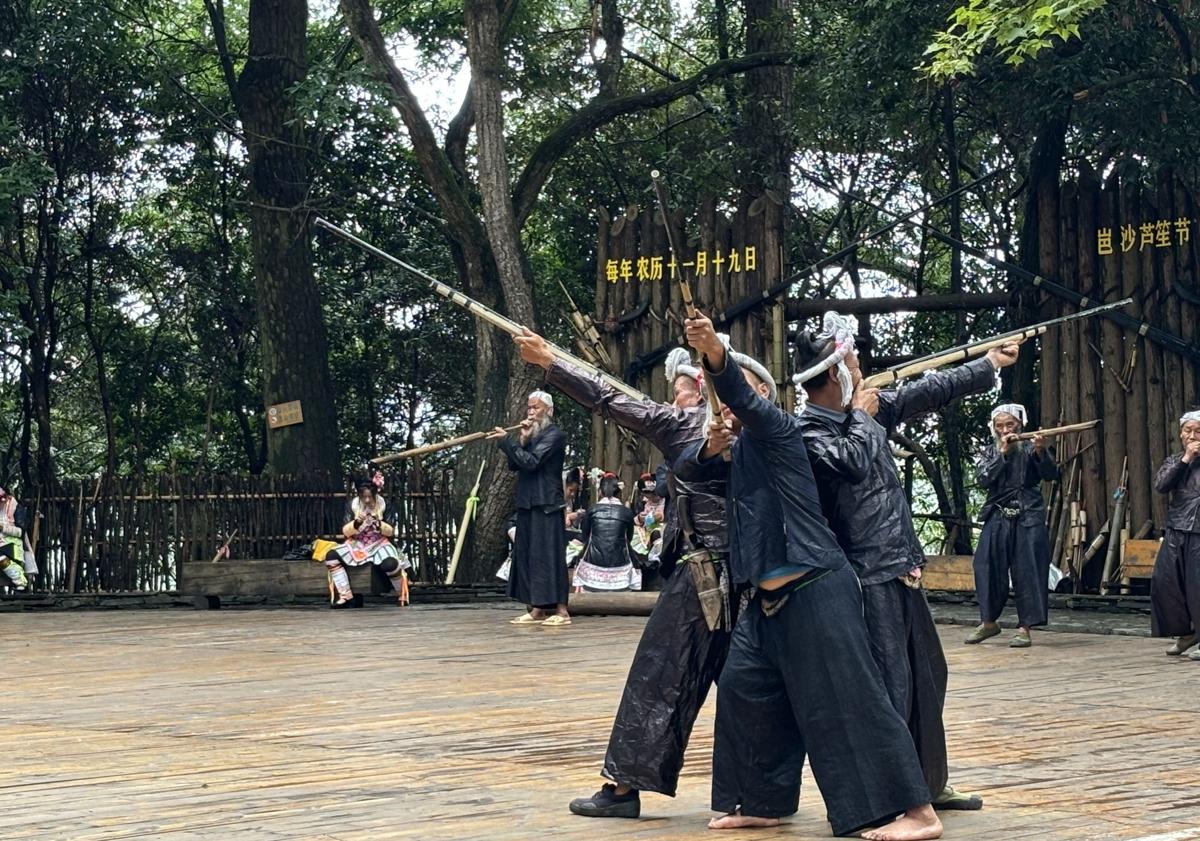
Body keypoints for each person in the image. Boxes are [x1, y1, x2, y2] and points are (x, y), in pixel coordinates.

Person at [679, 313, 940, 841]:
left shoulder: (781, 429)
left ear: (764, 395)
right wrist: (712, 440)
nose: (732, 400)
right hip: (766, 600)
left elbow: (744, 397)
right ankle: (762, 800)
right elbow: (686, 469)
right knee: (745, 688)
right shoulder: (740, 447)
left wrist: (714, 353)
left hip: (818, 587)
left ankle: (918, 812)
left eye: (745, 391)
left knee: (854, 700)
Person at [795, 312, 1018, 811]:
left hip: (901, 566)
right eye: (852, 359)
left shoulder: (865, 410)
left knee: (927, 675)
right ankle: (899, 796)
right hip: (864, 577)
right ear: (835, 372)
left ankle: (930, 783)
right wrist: (864, 415)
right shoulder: (807, 431)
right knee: (889, 687)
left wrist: (986, 364)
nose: (861, 366)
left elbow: (928, 389)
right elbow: (850, 463)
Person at [509, 329, 730, 818]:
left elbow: (612, 400)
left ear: (701, 385)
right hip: (751, 576)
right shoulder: (762, 426)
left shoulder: (691, 425)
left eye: (683, 384)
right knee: (753, 684)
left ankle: (624, 789)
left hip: (705, 578)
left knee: (660, 677)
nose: (676, 393)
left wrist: (553, 363)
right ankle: (756, 794)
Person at [966, 404, 1060, 648]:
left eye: (1010, 425)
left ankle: (1024, 628)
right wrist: (1002, 454)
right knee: (985, 564)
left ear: (1020, 425)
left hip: (1028, 514)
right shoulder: (991, 451)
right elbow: (984, 479)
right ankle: (988, 622)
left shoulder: (1032, 448)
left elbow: (1051, 474)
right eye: (1000, 426)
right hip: (997, 514)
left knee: (1027, 569)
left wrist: (1040, 452)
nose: (1005, 430)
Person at [489, 390, 570, 626]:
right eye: (529, 408)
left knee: (550, 556)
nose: (531, 412)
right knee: (530, 556)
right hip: (528, 502)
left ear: (548, 410)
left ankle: (562, 611)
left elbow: (532, 463)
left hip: (547, 503)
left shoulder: (554, 436)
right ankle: (537, 609)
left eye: (536, 407)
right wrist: (522, 440)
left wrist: (507, 442)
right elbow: (516, 465)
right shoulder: (533, 437)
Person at [1151, 410, 1200, 659]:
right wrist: (1186, 460)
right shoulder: (1174, 460)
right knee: (1167, 582)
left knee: (1198, 585)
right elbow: (1161, 485)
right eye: (1187, 430)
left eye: (1198, 431)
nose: (1192, 436)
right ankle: (1188, 632)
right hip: (1177, 527)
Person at [324, 472, 410, 608]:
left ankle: (403, 594)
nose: (368, 500)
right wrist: (356, 524)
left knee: (390, 564)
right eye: (364, 497)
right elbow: (345, 531)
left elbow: (391, 531)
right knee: (331, 556)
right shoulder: (352, 506)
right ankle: (346, 595)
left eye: (370, 496)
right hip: (358, 543)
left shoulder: (384, 505)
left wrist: (379, 525)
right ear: (359, 495)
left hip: (380, 543)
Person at [574, 472, 639, 592]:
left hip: (593, 564)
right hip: (620, 565)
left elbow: (585, 536)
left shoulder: (592, 510)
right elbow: (628, 538)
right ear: (619, 492)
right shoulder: (626, 512)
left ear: (600, 491)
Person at [0, 486, 35, 591]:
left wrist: (3, 528)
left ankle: (18, 577)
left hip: (11, 544)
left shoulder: (15, 508)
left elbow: (20, 532)